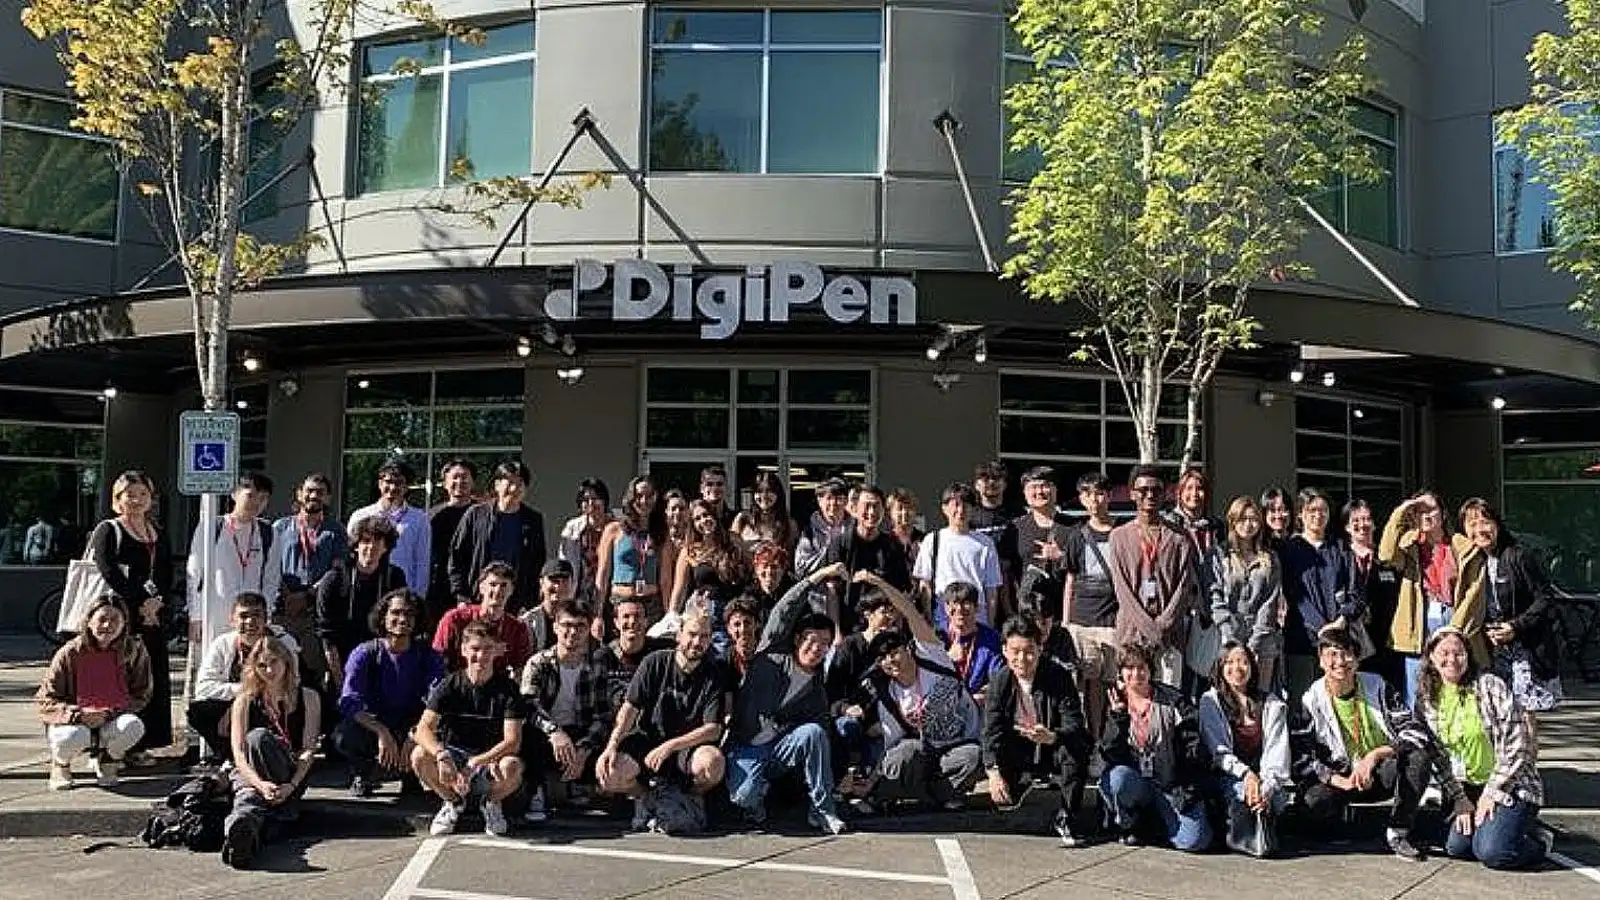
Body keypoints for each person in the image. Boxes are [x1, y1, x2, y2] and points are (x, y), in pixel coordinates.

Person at [1415, 627, 1552, 870]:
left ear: (1468, 655)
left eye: (1459, 653)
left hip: (1510, 785)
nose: (1452, 660)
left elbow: (1519, 744)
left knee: (1493, 853)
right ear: (1432, 657)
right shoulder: (1427, 699)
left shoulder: (1490, 686)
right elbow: (1437, 757)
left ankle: (1538, 842)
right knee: (1457, 847)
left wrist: (1492, 793)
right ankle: (1502, 828)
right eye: (1444, 653)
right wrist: (1460, 799)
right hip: (1466, 789)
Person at [724, 575, 848, 834]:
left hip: (779, 749)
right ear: (797, 639)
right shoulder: (772, 653)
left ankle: (822, 811)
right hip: (745, 746)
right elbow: (784, 609)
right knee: (742, 797)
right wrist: (815, 578)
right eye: (812, 641)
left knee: (814, 732)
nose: (817, 649)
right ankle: (756, 794)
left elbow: (823, 735)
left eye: (824, 645)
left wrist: (839, 776)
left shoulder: (816, 690)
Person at [1296, 627, 1431, 861]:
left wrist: (1375, 756)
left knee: (1418, 758)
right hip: (1339, 777)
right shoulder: (1311, 699)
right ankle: (1343, 824)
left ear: (1357, 659)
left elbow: (1415, 732)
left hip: (1378, 772)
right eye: (1332, 655)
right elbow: (1302, 758)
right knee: (1313, 802)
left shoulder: (1377, 686)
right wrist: (1337, 779)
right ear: (1320, 661)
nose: (1341, 662)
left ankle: (1398, 830)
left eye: (1347, 654)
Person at [856, 570, 984, 812]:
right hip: (923, 751)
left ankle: (938, 794)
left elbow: (910, 612)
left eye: (894, 651)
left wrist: (879, 582)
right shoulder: (889, 695)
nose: (889, 660)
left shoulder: (931, 657)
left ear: (907, 648)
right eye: (882, 658)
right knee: (903, 752)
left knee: (973, 756)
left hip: (957, 745)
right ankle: (892, 794)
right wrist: (872, 781)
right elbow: (892, 746)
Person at [595, 607, 727, 830]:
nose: (697, 642)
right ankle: (648, 798)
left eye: (704, 637)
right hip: (648, 742)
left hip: (687, 748)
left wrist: (670, 746)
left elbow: (713, 729)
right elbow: (629, 709)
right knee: (610, 772)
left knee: (713, 764)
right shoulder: (654, 663)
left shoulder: (713, 672)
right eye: (692, 634)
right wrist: (611, 747)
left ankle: (688, 798)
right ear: (679, 635)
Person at [1456, 501, 1561, 756]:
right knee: (1499, 714)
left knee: (1523, 714)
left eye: (1485, 522)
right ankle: (1508, 772)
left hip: (1525, 648)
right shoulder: (1474, 560)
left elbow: (1545, 598)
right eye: (1472, 524)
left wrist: (1515, 626)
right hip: (1493, 651)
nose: (1480, 529)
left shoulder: (1517, 555)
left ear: (1497, 525)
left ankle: (1528, 774)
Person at [983, 615, 1092, 848]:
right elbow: (991, 730)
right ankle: (1018, 785)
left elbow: (1075, 722)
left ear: (1040, 649)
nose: (1022, 659)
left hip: (1052, 742)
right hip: (1018, 745)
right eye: (1015, 651)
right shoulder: (1000, 681)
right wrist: (992, 772)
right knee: (1004, 797)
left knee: (1076, 748)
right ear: (1004, 650)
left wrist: (1053, 736)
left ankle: (1068, 814)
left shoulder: (1058, 676)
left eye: (1029, 651)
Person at [411, 621, 527, 836]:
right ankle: (453, 802)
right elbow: (422, 729)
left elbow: (513, 741)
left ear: (497, 651)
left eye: (487, 649)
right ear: (464, 650)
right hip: (454, 756)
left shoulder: (508, 689)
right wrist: (442, 755)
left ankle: (491, 803)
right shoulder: (450, 685)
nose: (481, 656)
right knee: (419, 755)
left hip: (489, 760)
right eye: (475, 649)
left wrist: (477, 762)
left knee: (512, 766)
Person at [89, 470, 175, 759]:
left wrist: (156, 602)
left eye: (142, 494)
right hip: (119, 616)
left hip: (153, 616)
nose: (136, 500)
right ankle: (108, 747)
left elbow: (165, 571)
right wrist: (140, 601)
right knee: (119, 678)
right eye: (130, 495)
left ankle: (141, 744)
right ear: (118, 499)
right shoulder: (108, 530)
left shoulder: (157, 532)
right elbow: (109, 571)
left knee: (150, 678)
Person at [332, 589, 445, 797]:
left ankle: (411, 775)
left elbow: (437, 701)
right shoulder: (365, 653)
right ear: (383, 617)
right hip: (374, 725)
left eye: (409, 614)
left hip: (413, 723)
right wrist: (381, 731)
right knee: (344, 734)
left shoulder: (429, 657)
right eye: (396, 613)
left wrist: (416, 734)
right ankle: (363, 772)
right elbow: (349, 700)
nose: (402, 619)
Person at [221, 636, 321, 869]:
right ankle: (242, 836)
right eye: (262, 665)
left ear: (286, 662)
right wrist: (259, 784)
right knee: (248, 798)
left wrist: (293, 785)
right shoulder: (244, 700)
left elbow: (308, 749)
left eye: (274, 662)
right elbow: (239, 754)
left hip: (289, 771)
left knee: (260, 738)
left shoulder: (308, 697)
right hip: (251, 774)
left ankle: (263, 818)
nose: (269, 670)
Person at [1098, 643, 1210, 851]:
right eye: (1129, 668)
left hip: (1171, 783)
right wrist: (1118, 719)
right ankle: (1132, 823)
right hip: (1136, 780)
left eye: (1142, 667)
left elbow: (1193, 746)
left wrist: (1187, 786)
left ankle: (1159, 821)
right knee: (1116, 780)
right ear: (1121, 672)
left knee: (1195, 840)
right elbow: (1109, 753)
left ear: (1151, 669)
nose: (1136, 673)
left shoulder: (1173, 700)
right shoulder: (1116, 701)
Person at [37, 595, 152, 790]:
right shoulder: (69, 652)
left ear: (124, 623)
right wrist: (77, 714)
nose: (107, 625)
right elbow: (45, 699)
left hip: (112, 716)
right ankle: (60, 763)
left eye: (115, 620)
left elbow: (142, 693)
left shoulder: (134, 650)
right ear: (89, 621)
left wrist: (110, 712)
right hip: (74, 720)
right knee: (72, 737)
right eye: (102, 619)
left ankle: (107, 759)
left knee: (134, 726)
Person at [519, 599, 611, 823]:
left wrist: (584, 748)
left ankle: (580, 785)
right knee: (528, 733)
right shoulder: (539, 663)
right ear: (555, 627)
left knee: (608, 739)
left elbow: (602, 716)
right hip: (547, 734)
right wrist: (554, 732)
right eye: (567, 625)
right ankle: (536, 793)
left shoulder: (597, 666)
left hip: (580, 733)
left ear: (589, 629)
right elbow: (529, 706)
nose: (573, 632)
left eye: (580, 626)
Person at [1199, 643, 1290, 857]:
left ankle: (1256, 832)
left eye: (1243, 662)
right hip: (1227, 776)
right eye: (1229, 662)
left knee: (1274, 798)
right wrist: (1247, 775)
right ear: (1220, 667)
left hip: (1262, 778)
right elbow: (1218, 751)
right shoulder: (1210, 701)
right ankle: (1236, 831)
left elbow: (1277, 753)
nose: (1237, 668)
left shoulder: (1271, 703)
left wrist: (1265, 786)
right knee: (1242, 794)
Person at [1105, 467, 1194, 687]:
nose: (1150, 495)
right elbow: (1122, 590)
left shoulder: (1179, 538)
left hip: (1169, 638)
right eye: (1143, 490)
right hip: (1131, 636)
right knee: (1134, 704)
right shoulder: (1118, 537)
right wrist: (1150, 630)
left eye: (1156, 490)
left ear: (1165, 494)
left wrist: (1162, 627)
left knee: (1168, 704)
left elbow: (1183, 588)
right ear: (1132, 493)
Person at [188, 592, 300, 764]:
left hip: (276, 702)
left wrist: (252, 694)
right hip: (241, 701)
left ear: (266, 619)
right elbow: (203, 687)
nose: (250, 622)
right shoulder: (222, 644)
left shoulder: (284, 642)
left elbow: (294, 681)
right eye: (243, 616)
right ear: (232, 620)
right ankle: (232, 757)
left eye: (256, 615)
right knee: (199, 710)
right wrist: (241, 696)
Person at [1381, 491, 1464, 707]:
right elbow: (1386, 554)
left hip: (1450, 615)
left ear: (1443, 514)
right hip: (1419, 617)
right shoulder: (1410, 545)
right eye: (1420, 511)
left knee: (1452, 680)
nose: (1426, 516)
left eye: (1431, 510)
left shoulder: (1456, 545)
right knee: (1418, 686)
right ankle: (1418, 735)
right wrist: (1402, 510)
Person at [1281, 487, 1364, 700]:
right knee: (1303, 702)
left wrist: (1341, 620)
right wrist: (1321, 627)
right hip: (1302, 641)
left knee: (1339, 700)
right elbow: (1294, 594)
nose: (1318, 515)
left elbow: (1356, 592)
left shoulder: (1341, 548)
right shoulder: (1290, 549)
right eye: (1311, 510)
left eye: (1323, 510)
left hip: (1339, 639)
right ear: (1300, 514)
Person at [188, 471, 279, 648]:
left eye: (263, 498)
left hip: (251, 617)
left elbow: (271, 579)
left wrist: (265, 615)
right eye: (250, 496)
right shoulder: (211, 526)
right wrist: (195, 616)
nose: (256, 503)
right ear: (234, 494)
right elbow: (195, 574)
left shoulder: (269, 532)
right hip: (215, 614)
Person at [315, 516, 406, 685]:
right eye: (365, 541)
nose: (371, 547)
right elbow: (327, 636)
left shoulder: (394, 578)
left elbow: (400, 626)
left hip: (381, 660)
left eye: (378, 541)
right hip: (340, 660)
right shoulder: (334, 580)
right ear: (356, 545)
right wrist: (341, 682)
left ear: (386, 547)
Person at [448, 460, 549, 608]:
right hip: (478, 599)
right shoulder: (476, 515)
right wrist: (461, 595)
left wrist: (531, 601)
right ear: (497, 485)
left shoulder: (533, 520)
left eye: (520, 483)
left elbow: (538, 562)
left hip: (516, 600)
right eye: (509, 482)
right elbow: (457, 557)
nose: (514, 489)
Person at [1063, 472, 1118, 739]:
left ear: (1108, 496)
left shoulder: (1122, 533)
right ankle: (1094, 739)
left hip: (1113, 620)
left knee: (1115, 683)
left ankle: (1114, 739)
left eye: (1099, 493)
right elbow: (1070, 579)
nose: (1094, 500)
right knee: (1088, 684)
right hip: (1081, 620)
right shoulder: (1077, 535)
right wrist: (1066, 621)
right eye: (1087, 494)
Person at [1212, 496, 1283, 693]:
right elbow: (1215, 596)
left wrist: (1255, 640)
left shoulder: (1270, 558)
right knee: (1229, 697)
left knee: (1260, 697)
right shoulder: (1219, 555)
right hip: (1227, 638)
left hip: (1262, 638)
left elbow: (1270, 601)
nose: (1248, 524)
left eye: (1253, 519)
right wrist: (1230, 635)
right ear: (1232, 521)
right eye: (1242, 519)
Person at [820, 484, 911, 636]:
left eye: (876, 506)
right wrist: (836, 633)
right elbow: (832, 591)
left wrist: (893, 625)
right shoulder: (840, 544)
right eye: (866, 506)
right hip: (848, 629)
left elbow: (901, 591)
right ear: (854, 509)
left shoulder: (892, 546)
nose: (871, 512)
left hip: (883, 628)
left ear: (883, 511)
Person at [915, 482, 1005, 630]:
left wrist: (990, 624)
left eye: (966, 506)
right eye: (955, 504)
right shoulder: (933, 540)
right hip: (944, 614)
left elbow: (991, 589)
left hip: (977, 614)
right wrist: (929, 619)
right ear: (944, 508)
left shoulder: (985, 543)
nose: (961, 510)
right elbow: (925, 584)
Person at [347, 460, 431, 597]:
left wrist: (418, 596)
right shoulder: (361, 516)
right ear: (380, 484)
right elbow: (350, 555)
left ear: (406, 487)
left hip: (402, 591)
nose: (392, 487)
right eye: (388, 482)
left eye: (398, 483)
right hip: (365, 588)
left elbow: (422, 562)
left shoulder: (419, 519)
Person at [667, 500, 746, 644]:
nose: (703, 521)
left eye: (706, 515)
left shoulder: (733, 541)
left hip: (732, 610)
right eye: (697, 519)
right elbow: (679, 590)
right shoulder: (689, 551)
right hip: (703, 611)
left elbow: (749, 572)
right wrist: (672, 615)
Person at [1345, 499, 1405, 688]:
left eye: (1367, 519)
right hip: (1354, 642)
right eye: (1356, 520)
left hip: (1387, 641)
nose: (1362, 525)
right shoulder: (1341, 558)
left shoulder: (1388, 558)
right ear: (1347, 527)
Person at [434, 563, 534, 674]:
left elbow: (522, 668)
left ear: (511, 590)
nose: (498, 591)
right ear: (481, 588)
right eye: (493, 584)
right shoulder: (455, 620)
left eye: (504, 585)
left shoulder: (517, 629)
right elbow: (438, 660)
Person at [595, 477, 667, 628]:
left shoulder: (660, 533)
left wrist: (668, 616)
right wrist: (598, 614)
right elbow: (602, 575)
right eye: (639, 496)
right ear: (631, 498)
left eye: (649, 496)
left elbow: (665, 578)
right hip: (620, 600)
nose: (644, 501)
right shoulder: (614, 530)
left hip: (650, 604)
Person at [272, 473, 346, 592]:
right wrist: (287, 595)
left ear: (327, 498)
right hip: (285, 599)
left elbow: (337, 569)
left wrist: (309, 594)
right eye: (309, 490)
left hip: (319, 599)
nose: (313, 496)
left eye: (320, 492)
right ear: (299, 494)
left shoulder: (337, 530)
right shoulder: (280, 527)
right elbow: (271, 566)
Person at [427, 458, 479, 627]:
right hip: (438, 588)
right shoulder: (432, 516)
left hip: (472, 586)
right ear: (445, 483)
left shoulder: (482, 514)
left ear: (472, 482)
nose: (459, 482)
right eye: (454, 477)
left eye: (464, 477)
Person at [599, 594, 673, 706]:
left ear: (646, 621)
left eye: (637, 616)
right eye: (626, 616)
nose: (632, 621)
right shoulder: (604, 656)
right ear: (616, 622)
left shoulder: (661, 651)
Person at [942, 582, 1003, 705]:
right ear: (946, 608)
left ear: (977, 608)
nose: (960, 609)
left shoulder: (991, 639)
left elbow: (998, 679)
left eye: (966, 603)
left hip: (977, 705)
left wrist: (984, 694)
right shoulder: (937, 637)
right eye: (955, 603)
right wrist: (947, 658)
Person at [558, 477, 612, 608]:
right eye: (585, 500)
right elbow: (563, 561)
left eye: (595, 498)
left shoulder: (615, 527)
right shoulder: (572, 527)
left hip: (609, 595)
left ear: (604, 500)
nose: (591, 503)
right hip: (580, 593)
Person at [731, 470, 799, 554]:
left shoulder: (789, 523)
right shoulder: (742, 519)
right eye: (759, 491)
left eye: (769, 490)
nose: (764, 496)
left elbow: (792, 557)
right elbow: (731, 551)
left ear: (778, 494)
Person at [794, 478, 851, 577]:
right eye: (828, 498)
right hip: (817, 589)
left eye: (838, 498)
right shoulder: (809, 532)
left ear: (846, 501)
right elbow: (801, 569)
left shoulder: (856, 528)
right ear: (819, 501)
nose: (833, 503)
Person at [521, 559, 577, 652]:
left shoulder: (581, 619)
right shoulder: (528, 621)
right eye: (554, 580)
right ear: (541, 583)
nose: (558, 586)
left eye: (564, 581)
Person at [745, 541, 796, 622]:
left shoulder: (794, 594)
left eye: (774, 567)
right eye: (765, 566)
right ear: (756, 569)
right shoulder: (748, 598)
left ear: (783, 570)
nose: (769, 572)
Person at [885, 488, 925, 586]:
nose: (905, 512)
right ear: (890, 512)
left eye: (909, 508)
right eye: (900, 508)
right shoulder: (884, 541)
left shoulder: (926, 541)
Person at [698, 464, 737, 530]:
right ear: (701, 488)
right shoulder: (693, 519)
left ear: (726, 488)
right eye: (709, 484)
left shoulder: (735, 518)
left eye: (719, 484)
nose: (715, 488)